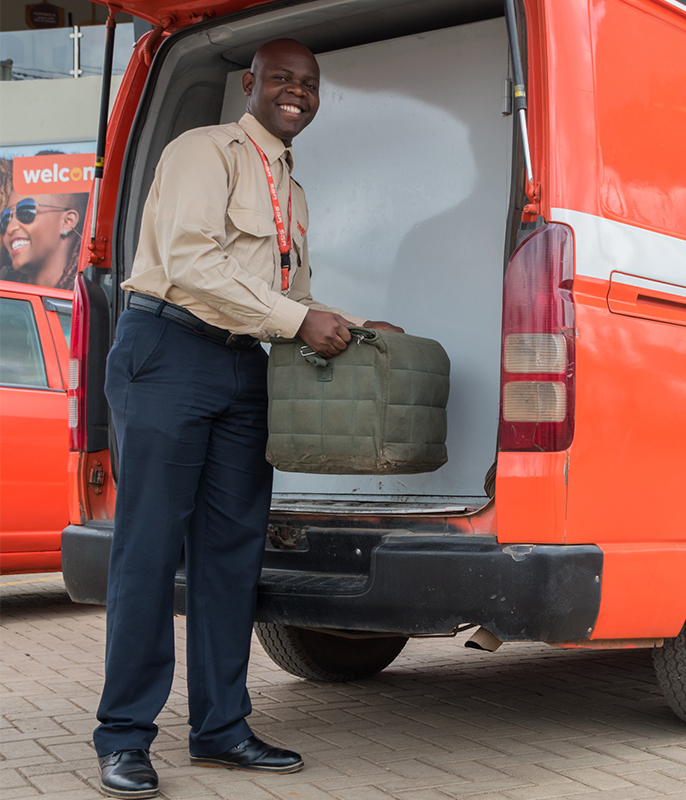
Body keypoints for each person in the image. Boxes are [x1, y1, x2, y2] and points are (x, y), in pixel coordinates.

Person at [93, 38, 401, 800]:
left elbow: (285, 291)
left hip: (242, 364)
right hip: (167, 346)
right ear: (250, 84)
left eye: (310, 85)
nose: (297, 93)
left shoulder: (291, 190)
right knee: (149, 551)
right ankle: (125, 737)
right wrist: (300, 323)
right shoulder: (205, 151)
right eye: (283, 80)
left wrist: (355, 326)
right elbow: (195, 265)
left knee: (232, 556)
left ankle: (221, 730)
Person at [0, 185, 87, 289]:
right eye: (5, 218)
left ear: (67, 221)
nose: (10, 228)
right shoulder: (8, 298)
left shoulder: (89, 296)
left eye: (25, 212)